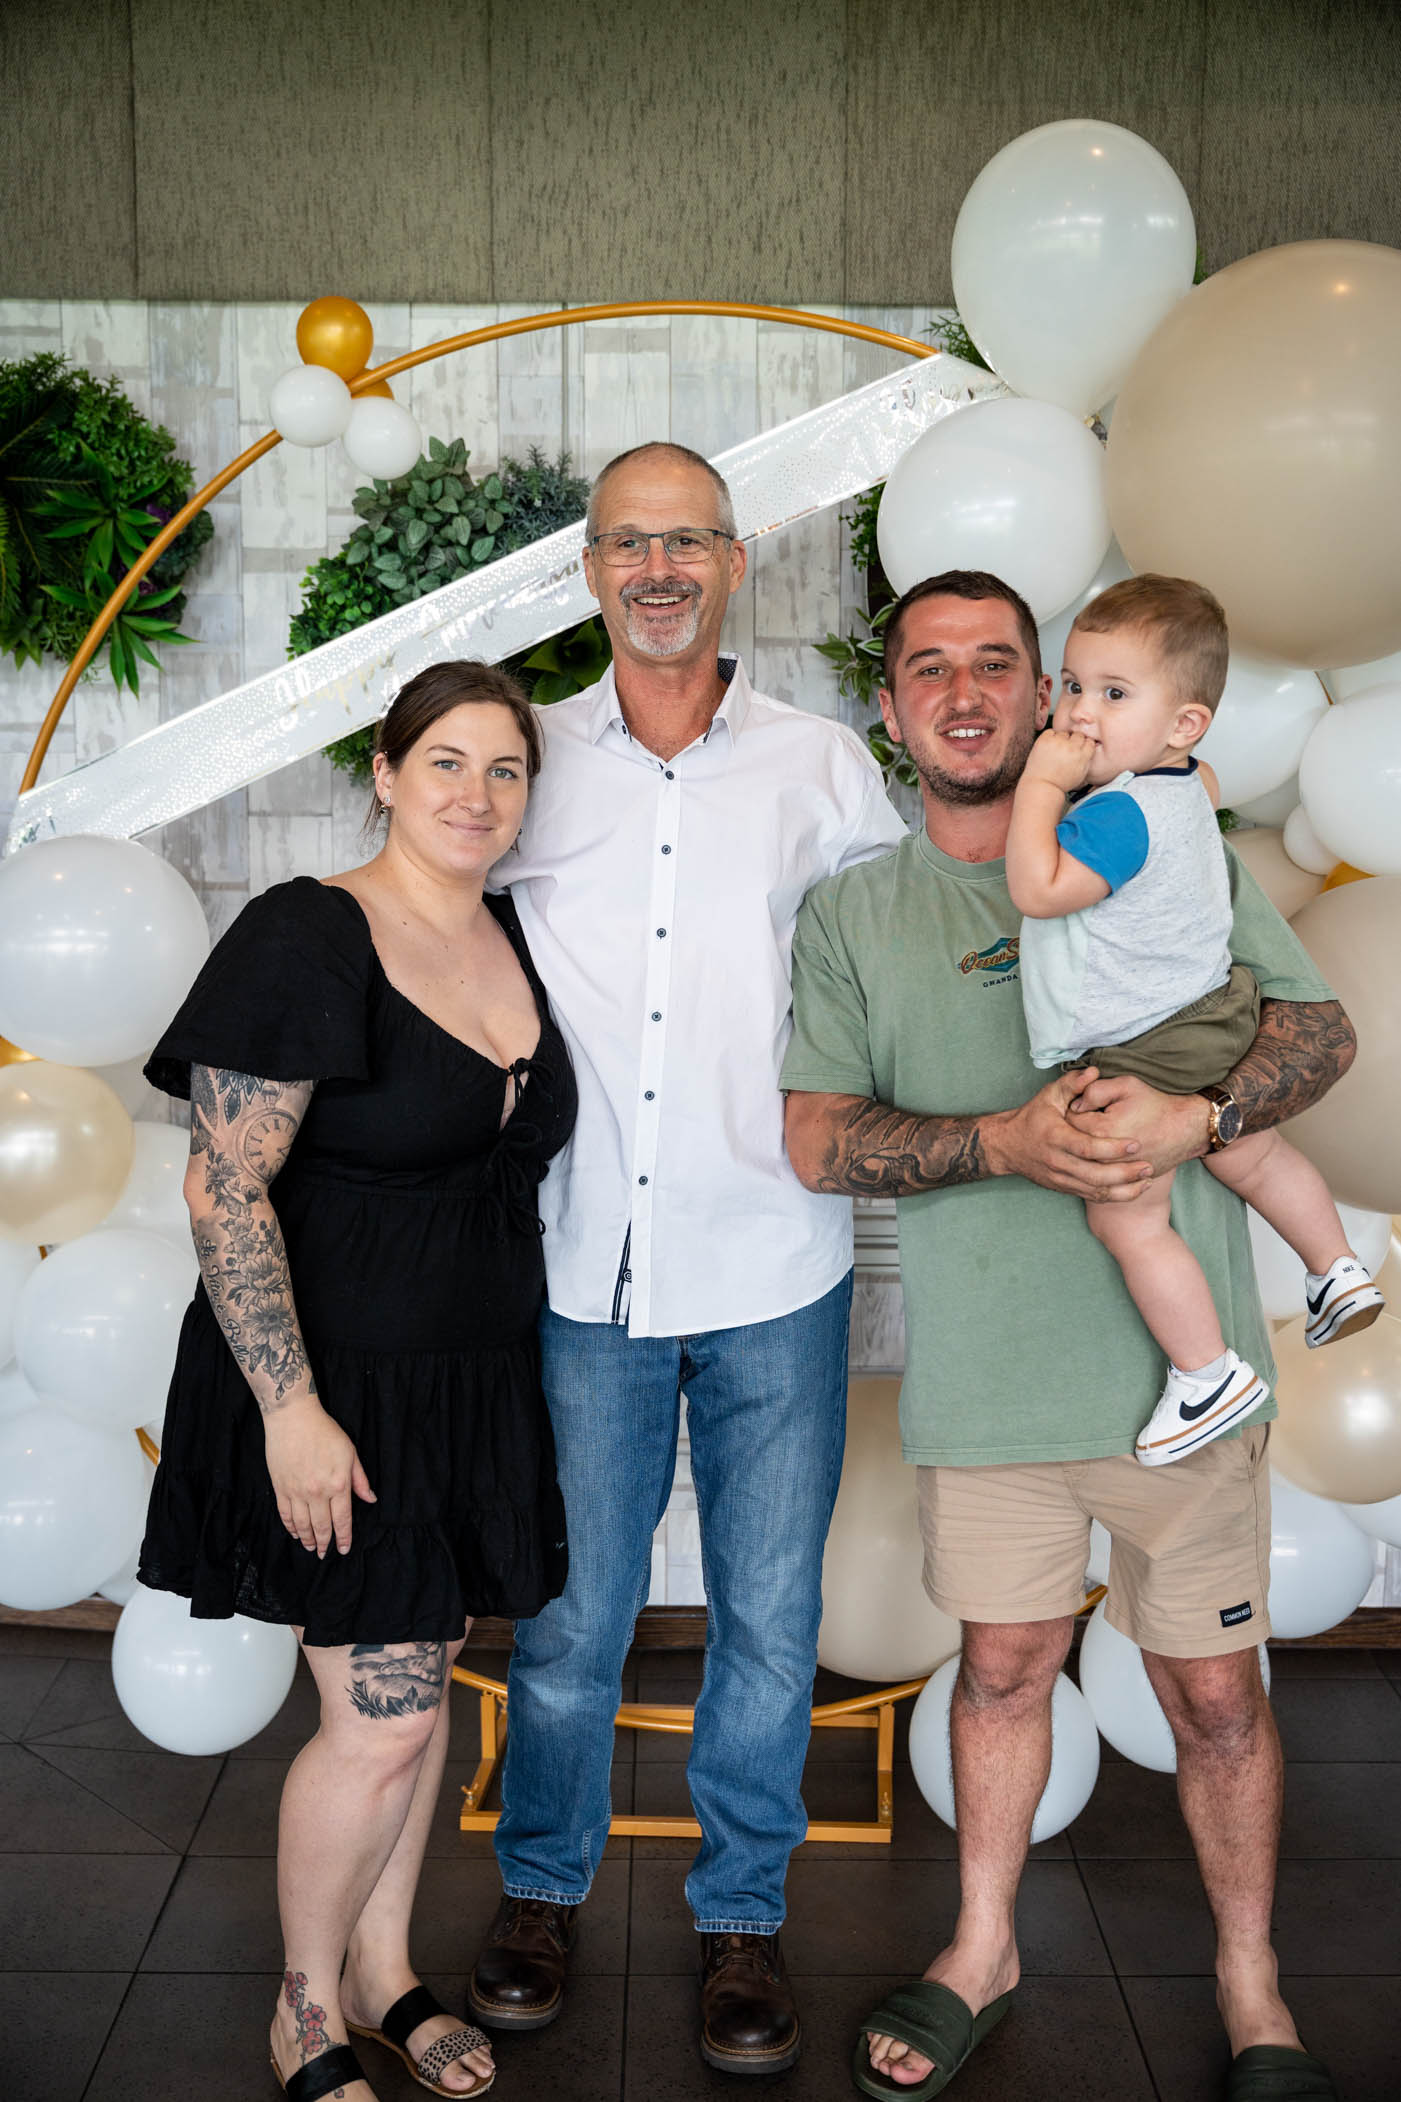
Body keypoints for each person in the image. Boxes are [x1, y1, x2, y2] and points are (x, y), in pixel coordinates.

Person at [781, 570, 1351, 2102]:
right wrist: (1004, 1142)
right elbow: (818, 1140)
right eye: (927, 667)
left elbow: (1318, 1033)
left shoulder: (1165, 838)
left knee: (1215, 1697)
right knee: (1004, 1668)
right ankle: (983, 1947)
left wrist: (1196, 1115)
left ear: (1048, 696)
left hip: (1186, 1383)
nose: (963, 691)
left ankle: (1251, 1980)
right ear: (890, 706)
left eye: (997, 663)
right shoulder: (856, 913)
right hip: (992, 1386)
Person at [467, 441, 906, 2076]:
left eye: (688, 541)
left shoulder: (820, 766)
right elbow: (441, 938)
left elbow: (887, 973)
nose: (658, 569)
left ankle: (741, 1916)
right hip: (582, 1261)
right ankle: (539, 1889)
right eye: (628, 542)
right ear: (591, 570)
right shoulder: (526, 762)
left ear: (734, 560)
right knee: (573, 1616)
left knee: (769, 1619)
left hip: (776, 1256)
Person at [139, 661, 578, 2102]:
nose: (476, 793)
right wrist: (291, 1407)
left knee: (422, 1692)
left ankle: (386, 1970)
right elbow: (223, 1184)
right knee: (381, 1718)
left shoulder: (511, 931)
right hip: (337, 1390)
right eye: (445, 760)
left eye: (505, 768)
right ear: (384, 773)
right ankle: (305, 2006)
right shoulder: (309, 931)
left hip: (471, 1383)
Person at [1006, 573, 1383, 1465]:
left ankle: (1207, 1374)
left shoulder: (1114, 817)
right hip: (1213, 1011)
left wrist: (1040, 786)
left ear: (1183, 724)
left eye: (1114, 694)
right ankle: (1335, 1267)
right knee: (1252, 1153)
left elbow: (1037, 888)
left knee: (1125, 1219)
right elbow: (1195, 782)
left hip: (1147, 1043)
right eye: (1073, 684)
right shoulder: (1187, 783)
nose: (1079, 713)